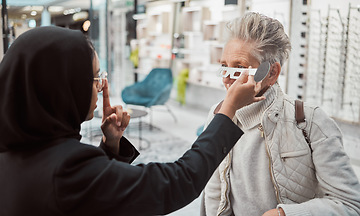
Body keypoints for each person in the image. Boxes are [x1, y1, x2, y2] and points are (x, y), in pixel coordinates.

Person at [0, 26, 265, 216]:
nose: (102, 86)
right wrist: (228, 109)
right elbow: (177, 182)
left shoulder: (18, 153)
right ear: (58, 88)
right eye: (93, 78)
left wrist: (110, 147)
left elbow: (92, 197)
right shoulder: (67, 169)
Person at [201, 12, 360, 216]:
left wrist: (285, 214)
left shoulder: (311, 122)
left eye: (239, 68)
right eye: (224, 67)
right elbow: (214, 192)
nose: (227, 80)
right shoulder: (217, 115)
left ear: (272, 73)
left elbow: (349, 204)